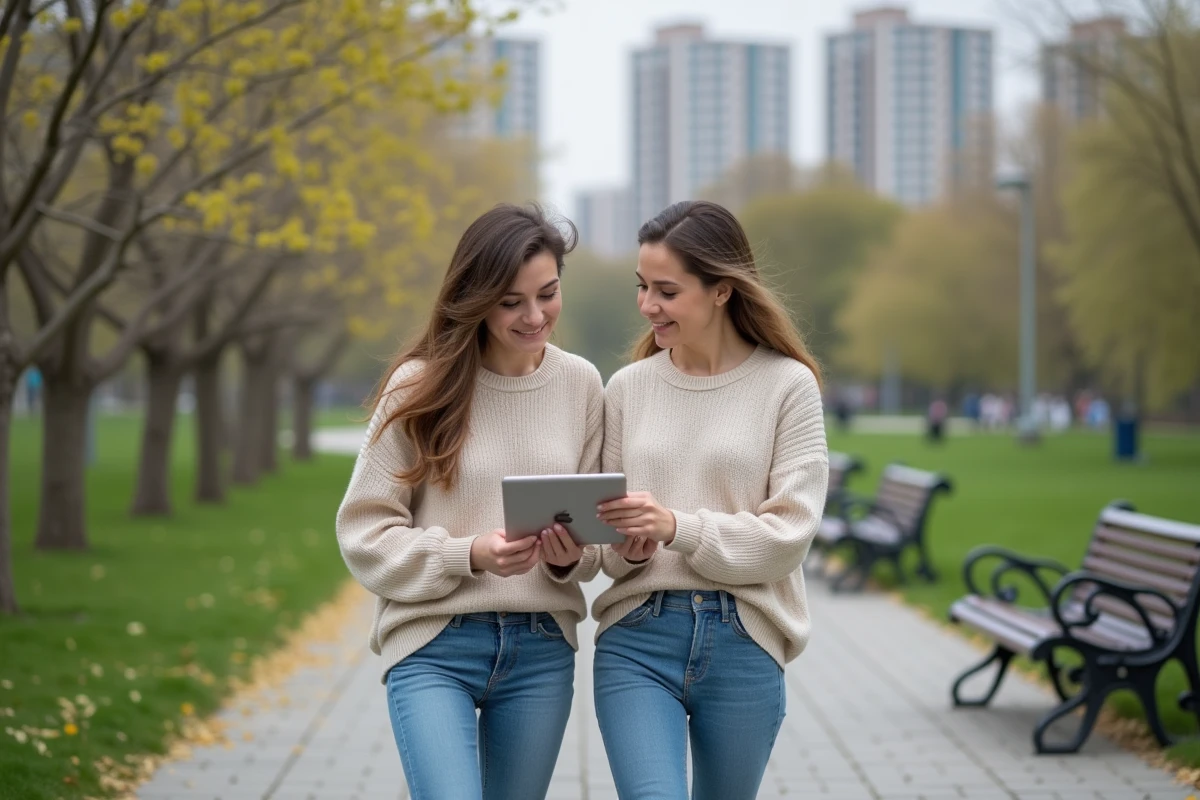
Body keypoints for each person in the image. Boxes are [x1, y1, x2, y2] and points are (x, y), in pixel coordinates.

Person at [335, 204, 604, 800]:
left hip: (540, 648)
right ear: (475, 298)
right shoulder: (419, 385)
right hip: (434, 642)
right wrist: (470, 554)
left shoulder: (582, 384)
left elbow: (592, 542)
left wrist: (568, 557)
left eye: (547, 294)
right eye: (511, 302)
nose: (534, 316)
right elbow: (364, 534)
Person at [591, 200, 829, 799]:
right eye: (643, 286)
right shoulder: (627, 389)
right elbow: (607, 549)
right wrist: (631, 549)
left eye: (667, 291)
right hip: (637, 638)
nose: (648, 305)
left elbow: (789, 537)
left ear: (721, 290)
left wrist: (678, 527)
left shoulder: (788, 385)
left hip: (745, 637)